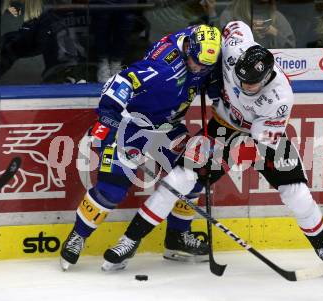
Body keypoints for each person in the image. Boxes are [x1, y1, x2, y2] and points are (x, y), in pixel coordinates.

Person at [102, 21, 323, 273]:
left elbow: (255, 146)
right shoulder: (235, 47)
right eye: (238, 79)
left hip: (258, 138)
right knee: (179, 179)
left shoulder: (280, 99)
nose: (241, 86)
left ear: (266, 78)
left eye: (249, 84)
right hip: (223, 124)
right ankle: (129, 241)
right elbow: (233, 25)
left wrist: (223, 156)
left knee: (296, 192)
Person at [59, 24, 222, 271]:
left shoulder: (204, 47)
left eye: (205, 64)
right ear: (189, 46)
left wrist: (212, 84)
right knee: (111, 189)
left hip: (168, 127)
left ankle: (177, 236)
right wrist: (109, 117)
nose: (199, 67)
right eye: (196, 62)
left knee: (197, 169)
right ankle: (78, 236)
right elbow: (120, 81)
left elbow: (209, 73)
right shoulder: (163, 68)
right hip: (130, 125)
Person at [219, 0, 296, 48]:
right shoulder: (230, 16)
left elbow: (292, 50)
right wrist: (246, 33)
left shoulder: (277, 18)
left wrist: (275, 33)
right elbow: (219, 47)